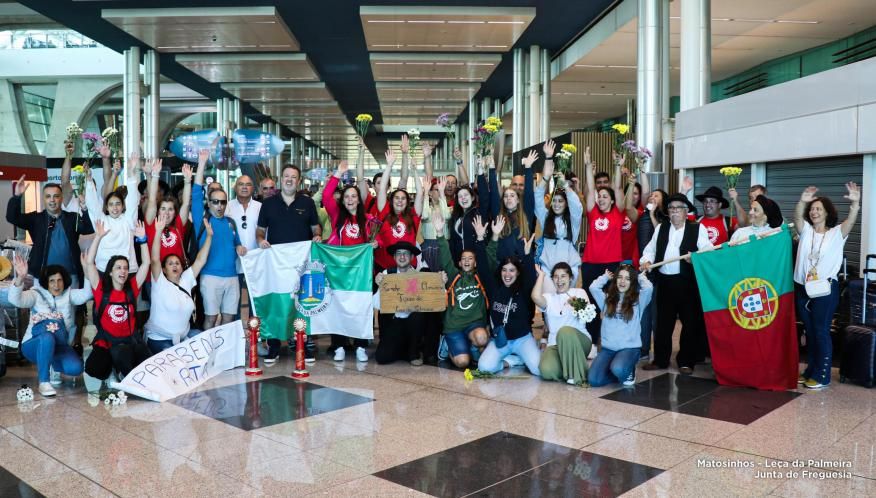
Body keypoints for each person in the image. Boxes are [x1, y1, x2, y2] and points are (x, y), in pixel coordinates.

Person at [793, 183, 860, 390]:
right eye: (812, 209)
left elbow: (851, 221)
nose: (814, 212)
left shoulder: (837, 233)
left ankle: (823, 374)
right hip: (803, 288)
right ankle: (811, 369)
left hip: (825, 289)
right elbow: (797, 218)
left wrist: (855, 203)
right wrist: (803, 201)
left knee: (821, 331)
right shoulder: (805, 231)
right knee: (810, 331)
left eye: (818, 209)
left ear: (827, 213)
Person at [640, 193, 713, 375]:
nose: (673, 212)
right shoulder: (662, 228)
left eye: (678, 209)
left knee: (689, 323)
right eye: (671, 209)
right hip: (665, 282)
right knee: (663, 324)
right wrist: (646, 260)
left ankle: (686, 361)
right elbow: (651, 249)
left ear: (686, 211)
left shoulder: (697, 229)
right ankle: (660, 360)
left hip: (687, 283)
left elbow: (708, 251)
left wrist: (695, 258)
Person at [256, 163, 320, 362]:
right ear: (281, 179)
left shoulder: (307, 203)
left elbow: (316, 227)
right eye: (286, 176)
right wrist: (260, 240)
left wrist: (317, 236)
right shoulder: (269, 204)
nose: (289, 179)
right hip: (276, 265)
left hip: (301, 265)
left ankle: (302, 344)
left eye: (293, 176)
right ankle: (273, 345)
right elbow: (260, 230)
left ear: (299, 181)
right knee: (277, 303)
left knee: (301, 304)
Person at [9, 255, 90, 396]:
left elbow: (87, 294)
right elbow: (14, 299)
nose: (56, 285)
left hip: (60, 346)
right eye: (52, 281)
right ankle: (44, 382)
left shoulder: (69, 295)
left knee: (76, 368)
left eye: (59, 280)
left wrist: (87, 270)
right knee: (47, 337)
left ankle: (50, 364)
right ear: (46, 282)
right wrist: (20, 278)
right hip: (33, 345)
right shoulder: (35, 294)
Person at [83, 219, 152, 382]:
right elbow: (89, 263)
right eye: (118, 268)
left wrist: (142, 240)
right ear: (110, 272)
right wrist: (98, 237)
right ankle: (113, 368)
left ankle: (122, 368)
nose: (123, 271)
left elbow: (146, 264)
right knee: (96, 367)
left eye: (126, 268)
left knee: (145, 364)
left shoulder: (131, 289)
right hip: (108, 343)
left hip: (130, 341)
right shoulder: (101, 290)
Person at [473, 215, 540, 375]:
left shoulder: (524, 288)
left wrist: (527, 255)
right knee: (484, 368)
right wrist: (480, 238)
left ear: (517, 272)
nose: (507, 274)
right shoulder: (494, 288)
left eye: (511, 270)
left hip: (522, 339)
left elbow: (530, 275)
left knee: (538, 370)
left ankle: (522, 355)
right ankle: (511, 361)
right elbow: (482, 267)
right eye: (504, 269)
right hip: (501, 340)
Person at [324, 160, 376, 362]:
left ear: (359, 199)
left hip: (361, 274)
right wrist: (337, 174)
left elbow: (376, 238)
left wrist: (376, 243)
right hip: (340, 272)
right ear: (343, 200)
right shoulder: (337, 216)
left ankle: (361, 345)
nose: (351, 199)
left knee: (361, 308)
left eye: (354, 196)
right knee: (339, 307)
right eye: (347, 197)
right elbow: (327, 196)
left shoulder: (369, 219)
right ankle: (339, 345)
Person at [192, 149, 247, 331]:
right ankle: (209, 355)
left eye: (223, 202)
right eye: (215, 201)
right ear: (209, 202)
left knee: (229, 318)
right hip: (210, 276)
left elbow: (236, 242)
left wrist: (239, 247)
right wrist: (201, 164)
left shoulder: (231, 222)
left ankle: (225, 355)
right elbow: (195, 193)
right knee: (211, 317)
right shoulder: (203, 219)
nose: (220, 205)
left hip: (231, 276)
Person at [6, 175, 94, 286]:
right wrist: (17, 196)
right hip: (43, 275)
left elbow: (88, 229)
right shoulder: (36, 219)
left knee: (72, 303)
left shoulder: (72, 218)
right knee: (42, 303)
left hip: (70, 275)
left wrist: (85, 209)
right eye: (48, 196)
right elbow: (12, 217)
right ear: (44, 199)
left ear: (61, 198)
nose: (52, 200)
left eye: (56, 196)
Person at [144, 215, 214, 353]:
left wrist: (209, 236)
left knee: (208, 345)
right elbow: (155, 259)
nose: (174, 265)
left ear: (182, 267)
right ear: (164, 269)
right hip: (159, 338)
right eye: (170, 264)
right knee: (177, 359)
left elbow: (200, 260)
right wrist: (158, 232)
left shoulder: (186, 279)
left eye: (177, 263)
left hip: (183, 338)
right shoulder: (159, 281)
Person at [581, 149, 628, 344]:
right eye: (599, 196)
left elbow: (617, 187)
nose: (600, 198)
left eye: (604, 196)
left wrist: (617, 165)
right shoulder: (593, 213)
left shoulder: (618, 213)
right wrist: (587, 166)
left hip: (612, 264)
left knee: (612, 303)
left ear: (612, 200)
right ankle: (592, 340)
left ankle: (611, 339)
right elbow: (590, 191)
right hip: (591, 263)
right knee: (591, 304)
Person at [434, 212, 490, 368]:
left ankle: (471, 345)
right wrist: (439, 234)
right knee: (463, 362)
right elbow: (445, 258)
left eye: (470, 258)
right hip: (454, 326)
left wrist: (483, 238)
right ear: (459, 262)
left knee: (481, 338)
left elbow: (490, 256)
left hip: (475, 325)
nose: (466, 261)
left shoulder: (481, 276)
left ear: (476, 263)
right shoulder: (453, 276)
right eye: (463, 259)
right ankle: (447, 345)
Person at [587, 266, 653, 387]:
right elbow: (593, 288)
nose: (622, 281)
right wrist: (605, 277)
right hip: (608, 349)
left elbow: (648, 289)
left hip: (629, 349)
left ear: (632, 282)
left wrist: (639, 277)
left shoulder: (638, 300)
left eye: (627, 279)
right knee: (594, 380)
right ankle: (617, 372)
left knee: (618, 368)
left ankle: (628, 369)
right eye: (620, 277)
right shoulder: (607, 299)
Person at [533, 139, 583, 294]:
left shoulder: (573, 221)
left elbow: (577, 206)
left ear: (565, 203)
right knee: (548, 301)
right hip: (547, 267)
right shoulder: (545, 216)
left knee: (567, 302)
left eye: (560, 201)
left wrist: (566, 186)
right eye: (554, 201)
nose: (556, 204)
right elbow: (537, 198)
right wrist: (546, 177)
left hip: (569, 266)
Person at [532, 262, 593, 385]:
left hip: (580, 341)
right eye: (555, 276)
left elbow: (587, 315)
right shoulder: (549, 297)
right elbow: (535, 297)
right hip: (555, 344)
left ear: (570, 278)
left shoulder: (580, 292)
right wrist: (541, 276)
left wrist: (576, 304)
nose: (559, 280)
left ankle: (577, 375)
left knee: (564, 331)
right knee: (546, 371)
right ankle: (572, 366)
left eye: (563, 276)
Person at [373, 241, 433, 365]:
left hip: (413, 325)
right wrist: (380, 285)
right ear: (394, 257)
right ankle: (403, 350)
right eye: (399, 254)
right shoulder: (386, 275)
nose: (402, 257)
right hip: (393, 323)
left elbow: (432, 301)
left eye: (406, 254)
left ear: (411, 257)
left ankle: (413, 352)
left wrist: (442, 281)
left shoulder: (420, 276)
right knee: (382, 358)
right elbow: (377, 305)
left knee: (418, 315)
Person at [83, 157, 141, 276]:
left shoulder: (128, 219)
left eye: (118, 204)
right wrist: (88, 179)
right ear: (107, 207)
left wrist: (131, 173)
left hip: (128, 270)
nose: (115, 208)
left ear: (123, 205)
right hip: (104, 269)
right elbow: (92, 204)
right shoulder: (102, 220)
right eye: (111, 204)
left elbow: (133, 200)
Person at [374, 149, 424, 271]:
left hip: (408, 268)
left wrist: (415, 171)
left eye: (403, 198)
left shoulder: (413, 217)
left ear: (407, 202)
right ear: (391, 201)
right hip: (384, 267)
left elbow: (420, 193)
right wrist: (389, 166)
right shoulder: (384, 212)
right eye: (396, 198)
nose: (400, 201)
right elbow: (382, 189)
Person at [491, 150, 535, 262]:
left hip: (521, 263)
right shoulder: (499, 215)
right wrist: (492, 170)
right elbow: (494, 194)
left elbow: (529, 193)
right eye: (506, 196)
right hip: (502, 265)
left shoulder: (526, 213)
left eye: (512, 195)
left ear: (518, 200)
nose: (509, 198)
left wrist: (528, 168)